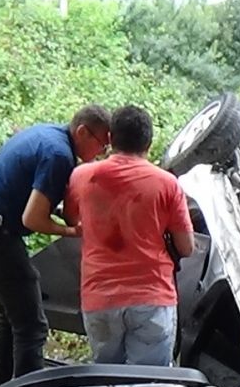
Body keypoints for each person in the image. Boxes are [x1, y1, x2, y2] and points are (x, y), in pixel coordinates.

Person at [0, 107, 110, 387]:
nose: (102, 152)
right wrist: (72, 232)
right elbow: (33, 218)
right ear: (82, 132)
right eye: (102, 143)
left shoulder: (48, 135)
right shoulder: (59, 156)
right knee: (32, 326)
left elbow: (35, 202)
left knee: (12, 314)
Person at [68, 105, 194, 366]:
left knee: (106, 380)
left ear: (111, 139)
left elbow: (72, 219)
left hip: (100, 298)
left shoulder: (82, 176)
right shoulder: (167, 184)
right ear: (149, 142)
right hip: (152, 297)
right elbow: (187, 247)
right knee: (149, 386)